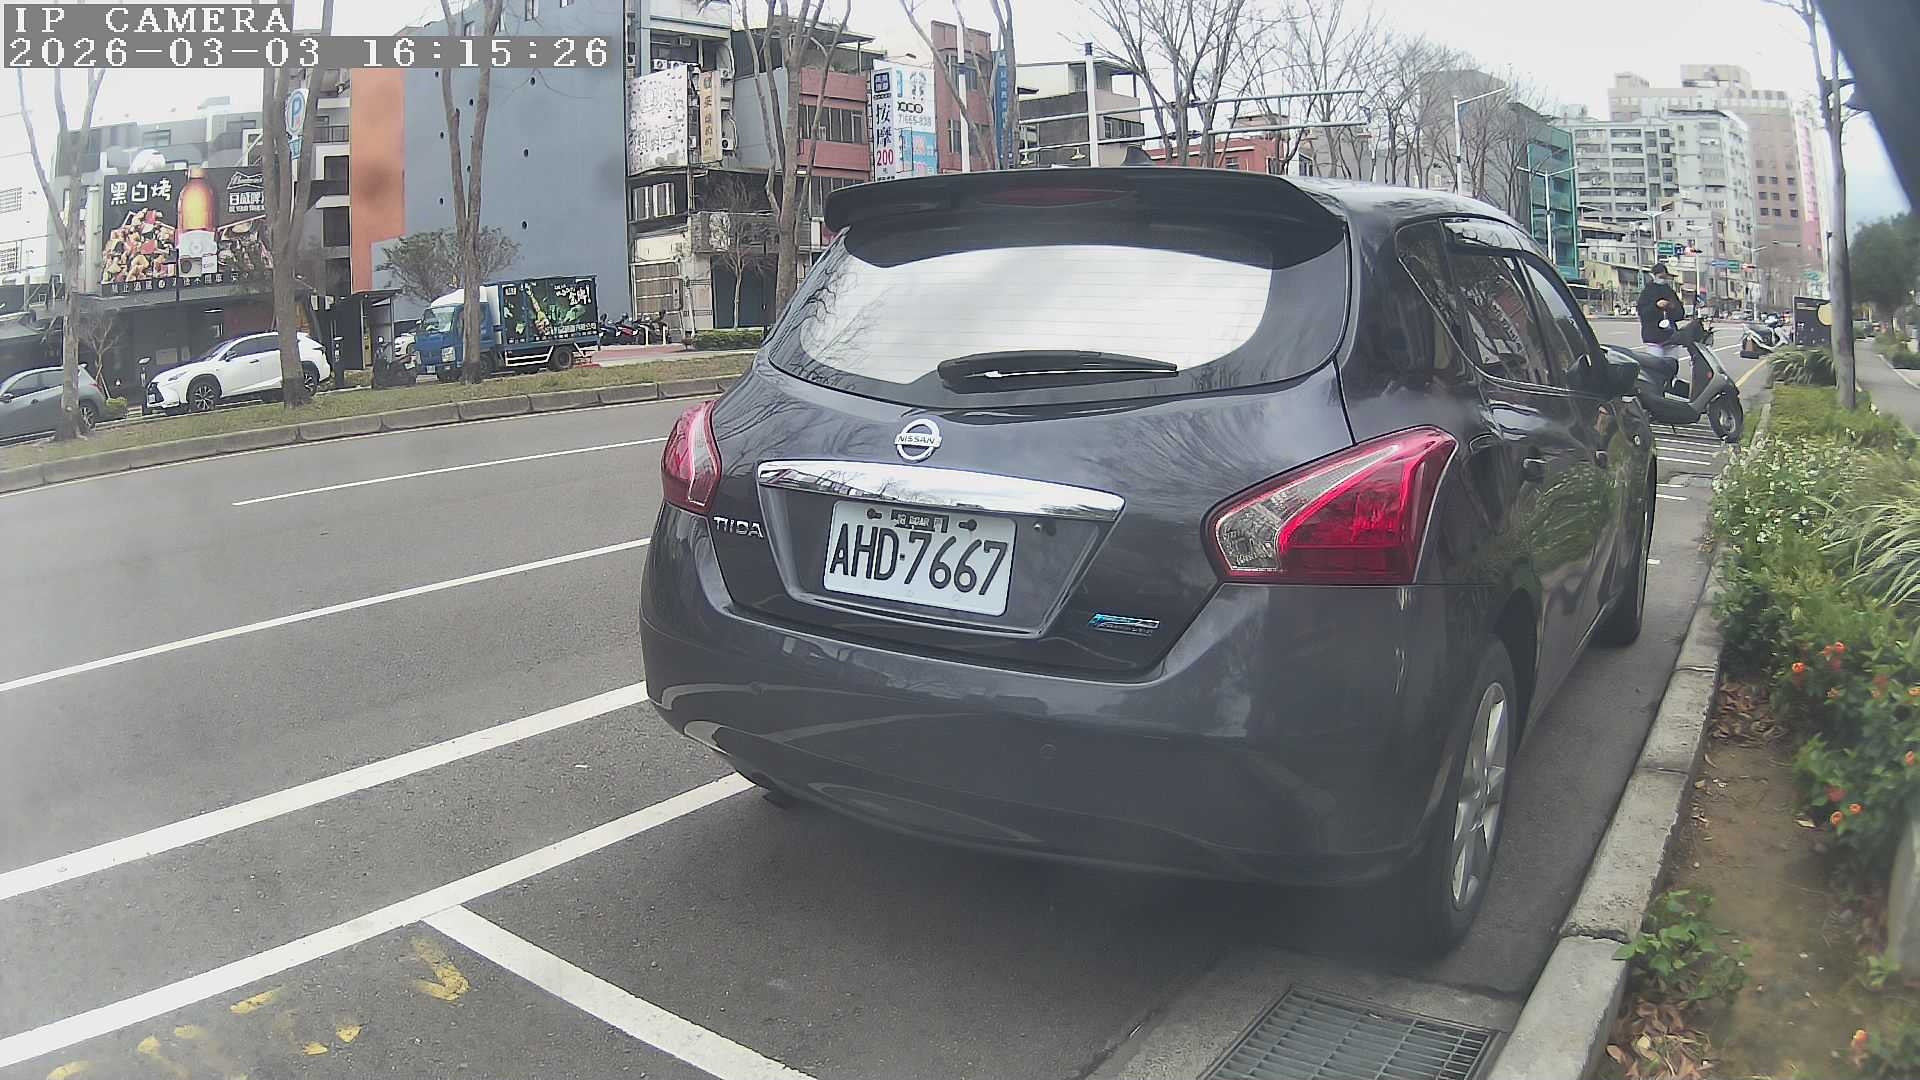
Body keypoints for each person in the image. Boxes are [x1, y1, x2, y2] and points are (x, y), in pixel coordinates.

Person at [1636, 263, 1686, 387]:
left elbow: (1680, 313)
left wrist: (1671, 307)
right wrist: (1656, 306)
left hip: (1671, 337)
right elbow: (1643, 313)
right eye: (1660, 276)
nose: (1662, 279)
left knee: (1672, 368)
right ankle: (1656, 390)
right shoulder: (1647, 292)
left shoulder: (1670, 292)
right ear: (1653, 276)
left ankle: (1671, 387)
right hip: (1653, 337)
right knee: (1655, 370)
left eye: (1664, 276)